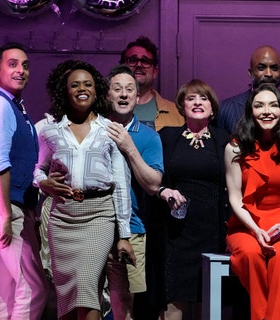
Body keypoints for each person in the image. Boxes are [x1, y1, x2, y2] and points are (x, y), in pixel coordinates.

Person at [33, 59, 137, 320]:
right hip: (62, 218)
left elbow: (121, 185)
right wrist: (42, 183)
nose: (82, 89)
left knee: (87, 285)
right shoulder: (50, 131)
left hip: (98, 216)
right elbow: (38, 169)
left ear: (96, 89)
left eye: (88, 84)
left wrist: (123, 234)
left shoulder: (110, 131)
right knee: (67, 296)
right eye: (75, 84)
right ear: (65, 92)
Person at [224, 83, 280, 320]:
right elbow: (234, 196)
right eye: (259, 105)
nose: (267, 111)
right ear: (250, 112)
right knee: (249, 253)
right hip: (247, 222)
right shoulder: (235, 148)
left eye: (273, 105)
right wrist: (255, 230)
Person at [148, 79, 231, 320]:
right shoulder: (166, 137)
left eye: (203, 98)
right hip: (177, 232)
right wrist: (164, 191)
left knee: (211, 300)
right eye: (191, 98)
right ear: (181, 106)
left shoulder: (225, 139)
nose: (197, 102)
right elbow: (153, 176)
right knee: (175, 299)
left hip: (214, 232)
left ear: (212, 108)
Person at [0, 41, 47, 320]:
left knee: (8, 291)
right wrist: (6, 214)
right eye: (12, 64)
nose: (21, 70)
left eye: (24, 65)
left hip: (8, 205)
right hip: (3, 205)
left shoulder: (16, 107)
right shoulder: (0, 105)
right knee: (32, 289)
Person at [105, 64, 164, 320]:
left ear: (138, 98)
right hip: (93, 225)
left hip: (132, 229)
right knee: (88, 300)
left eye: (130, 89)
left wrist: (129, 147)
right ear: (107, 95)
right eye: (117, 89)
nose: (123, 94)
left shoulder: (149, 137)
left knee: (124, 306)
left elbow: (153, 184)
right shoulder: (95, 130)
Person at [218, 45, 280, 137]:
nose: (268, 74)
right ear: (250, 72)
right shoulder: (225, 110)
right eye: (261, 68)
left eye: (274, 68)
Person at [119, 35, 185, 131]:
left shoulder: (176, 113)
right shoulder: (105, 110)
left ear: (154, 72)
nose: (139, 65)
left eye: (145, 61)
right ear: (121, 68)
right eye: (132, 60)